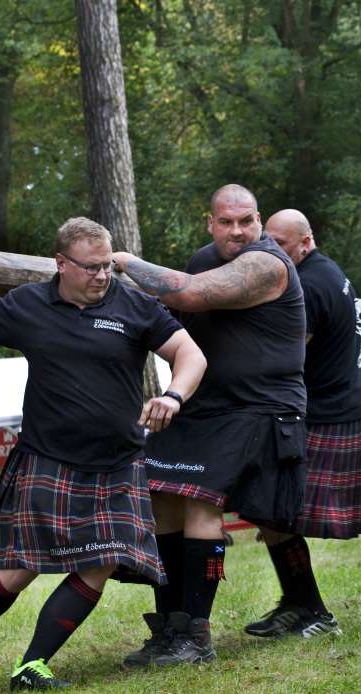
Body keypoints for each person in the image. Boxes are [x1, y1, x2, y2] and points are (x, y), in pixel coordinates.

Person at [0, 218, 206, 694]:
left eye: (107, 266)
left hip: (118, 460)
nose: (101, 275)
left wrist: (173, 396)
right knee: (19, 565)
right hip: (48, 458)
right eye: (90, 267)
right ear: (60, 264)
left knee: (102, 561)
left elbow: (190, 353)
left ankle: (32, 665)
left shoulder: (133, 305)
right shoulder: (29, 304)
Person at [111, 184, 308, 666]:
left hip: (259, 406)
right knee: (161, 501)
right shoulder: (205, 257)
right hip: (203, 403)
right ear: (211, 222)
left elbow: (189, 293)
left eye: (246, 221)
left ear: (259, 221)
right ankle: (171, 625)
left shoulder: (268, 263)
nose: (237, 231)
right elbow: (169, 315)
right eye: (227, 222)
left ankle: (197, 637)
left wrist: (118, 261)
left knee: (200, 501)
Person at [238, 208, 361, 640]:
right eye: (267, 242)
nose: (270, 252)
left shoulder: (312, 283)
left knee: (276, 511)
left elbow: (285, 352)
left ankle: (313, 611)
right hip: (334, 408)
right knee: (271, 513)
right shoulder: (319, 272)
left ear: (306, 241)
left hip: (331, 415)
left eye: (279, 244)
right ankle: (298, 603)